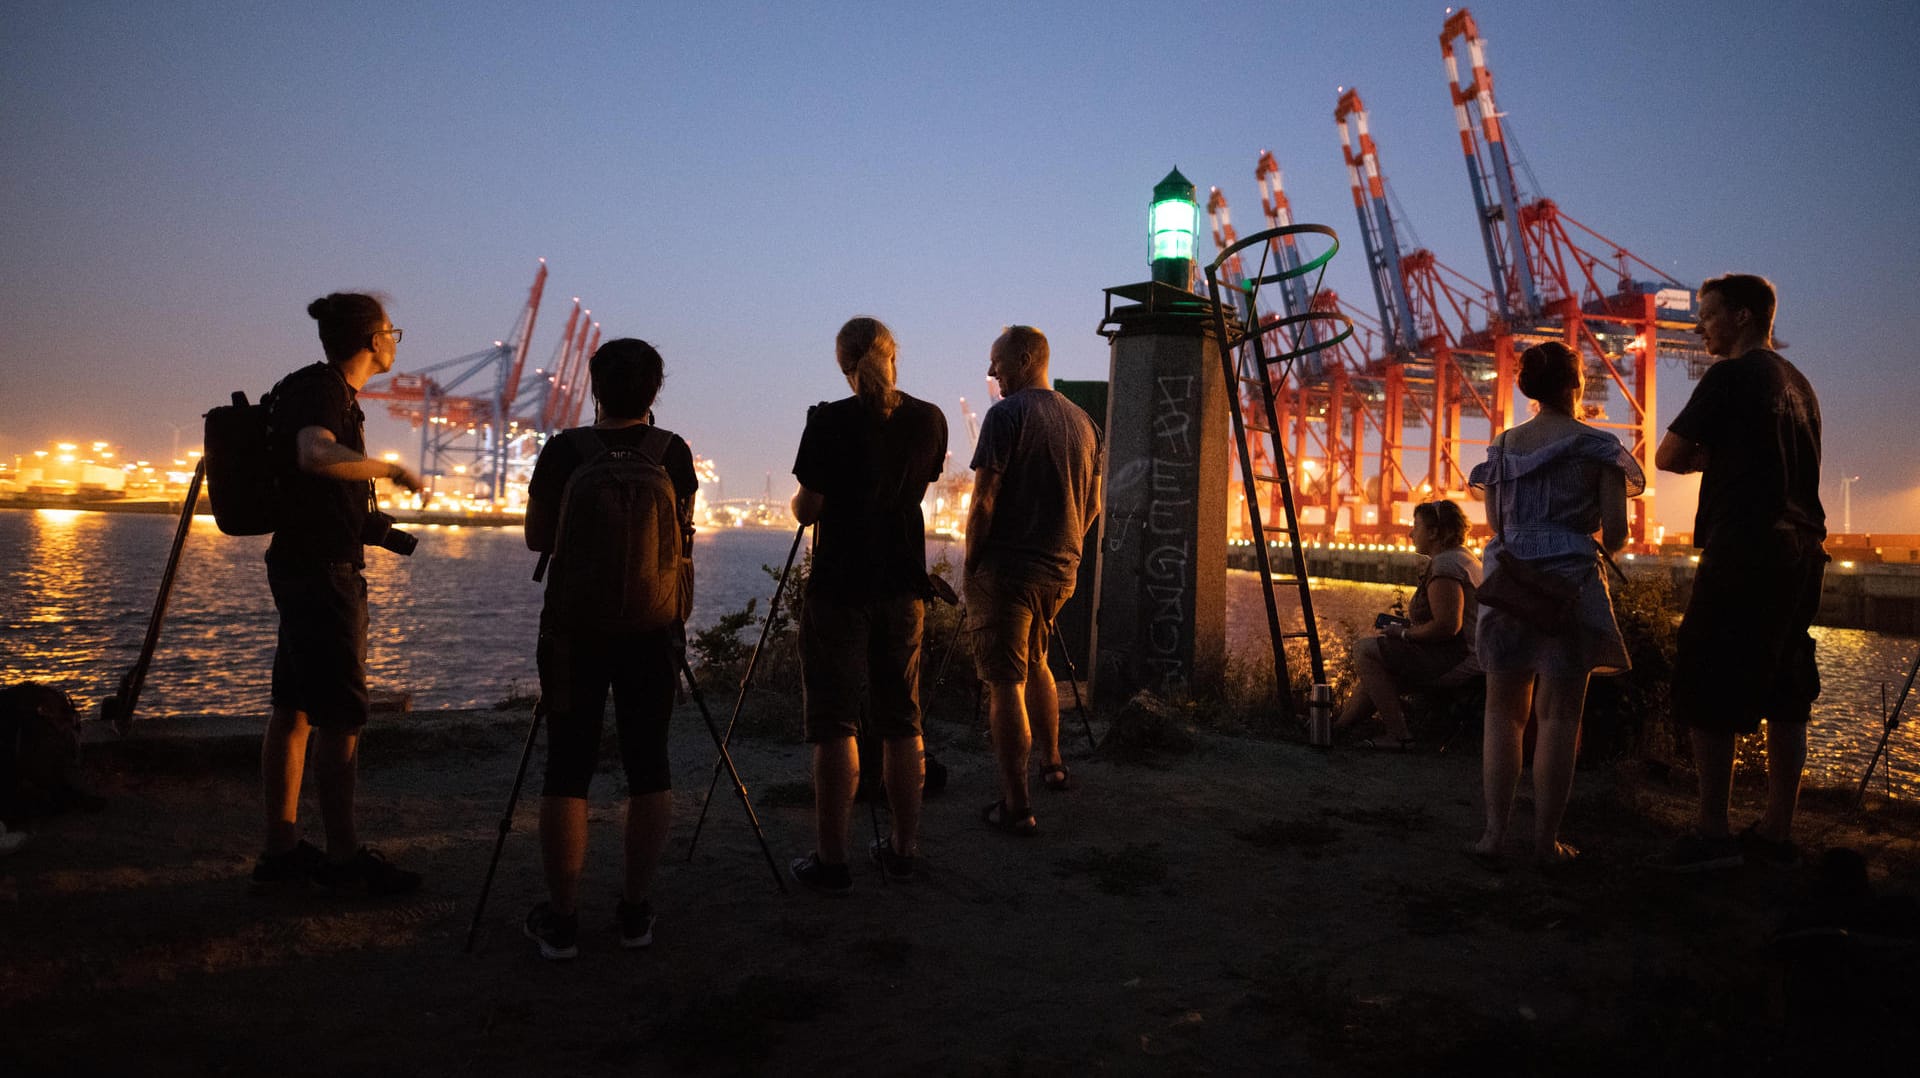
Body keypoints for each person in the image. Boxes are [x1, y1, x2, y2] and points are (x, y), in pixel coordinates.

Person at [521, 339, 698, 958]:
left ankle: (563, 920)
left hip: (575, 631)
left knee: (567, 765)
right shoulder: (673, 453)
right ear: (656, 390)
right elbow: (682, 544)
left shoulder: (565, 451)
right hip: (654, 632)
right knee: (650, 763)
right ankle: (634, 915)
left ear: (594, 388)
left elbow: (537, 537)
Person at [251, 292, 424, 896]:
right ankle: (344, 861)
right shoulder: (322, 392)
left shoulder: (322, 391)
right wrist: (389, 469)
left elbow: (319, 492)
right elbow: (313, 455)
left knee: (295, 709)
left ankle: (282, 851)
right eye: (391, 331)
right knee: (342, 717)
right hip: (321, 576)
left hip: (308, 564)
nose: (396, 341)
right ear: (373, 341)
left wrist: (377, 530)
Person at [1654, 273, 1825, 872]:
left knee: (1709, 673)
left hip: (1745, 543)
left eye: (1709, 315)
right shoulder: (1800, 385)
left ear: (1745, 317)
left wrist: (1711, 458)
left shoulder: (1730, 376)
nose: (1701, 327)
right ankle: (1778, 829)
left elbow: (1668, 455)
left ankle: (1712, 828)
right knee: (1787, 682)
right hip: (1803, 547)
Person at [785, 317, 948, 894]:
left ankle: (833, 860)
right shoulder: (930, 419)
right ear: (893, 355)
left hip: (839, 588)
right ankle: (903, 849)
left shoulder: (828, 421)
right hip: (903, 585)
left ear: (843, 365)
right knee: (902, 719)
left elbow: (808, 509)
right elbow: (914, 484)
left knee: (835, 723)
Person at [1468, 342, 1642, 867]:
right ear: (1577, 384)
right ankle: (1546, 842)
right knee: (1561, 717)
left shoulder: (1501, 447)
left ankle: (1495, 834)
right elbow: (1615, 532)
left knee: (1503, 713)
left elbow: (1498, 525)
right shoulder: (1599, 446)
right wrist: (1571, 547)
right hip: (1571, 586)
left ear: (1530, 388)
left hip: (1510, 584)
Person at [965, 325, 1100, 836]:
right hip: (1059, 573)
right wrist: (1065, 550)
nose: (992, 374)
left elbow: (984, 500)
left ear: (1024, 359)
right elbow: (1093, 507)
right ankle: (1053, 763)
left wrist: (972, 561)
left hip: (1009, 571)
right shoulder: (1085, 424)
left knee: (1005, 682)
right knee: (1038, 661)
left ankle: (1016, 805)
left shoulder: (1006, 415)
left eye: (997, 363)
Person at [1331, 500, 1481, 750]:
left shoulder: (1445, 565)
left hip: (1458, 660)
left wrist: (1403, 633)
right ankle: (1335, 730)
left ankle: (1399, 736)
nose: (1411, 533)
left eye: (1416, 526)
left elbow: (1447, 625)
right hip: (1470, 655)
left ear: (1434, 533)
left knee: (1364, 651)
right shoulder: (1465, 558)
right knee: (1379, 674)